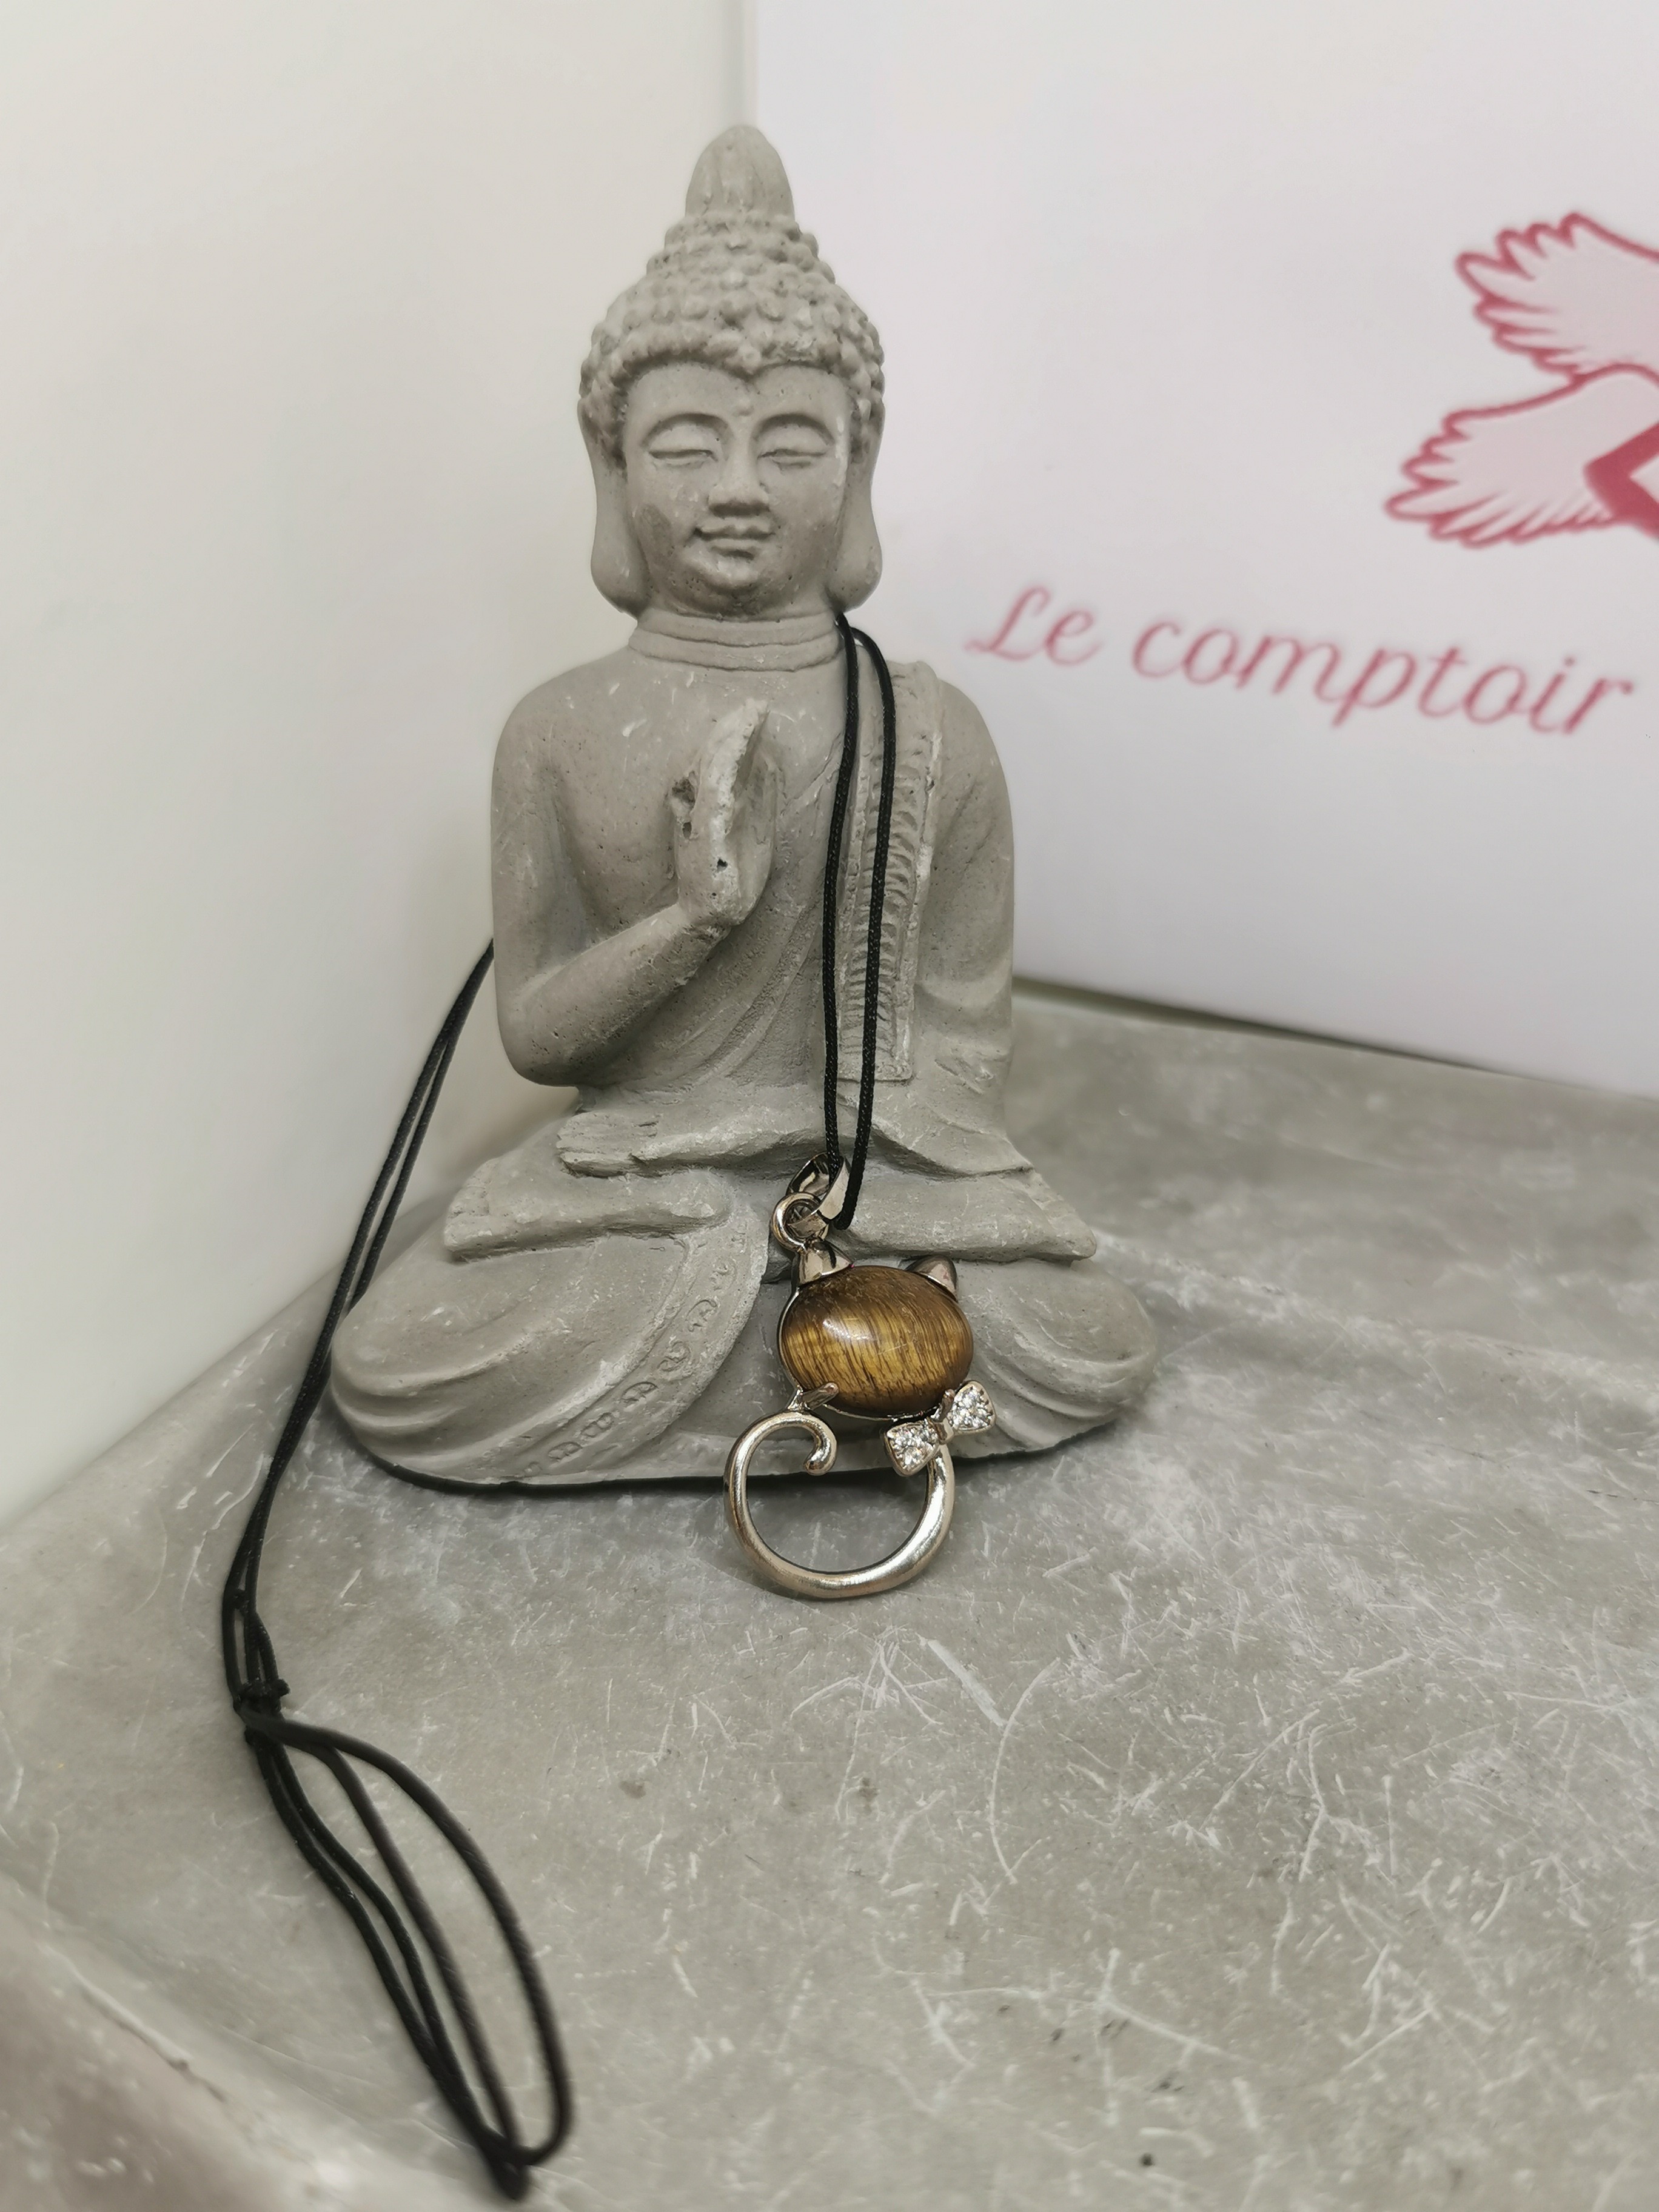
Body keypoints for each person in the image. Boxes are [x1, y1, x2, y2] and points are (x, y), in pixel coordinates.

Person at [332, 128, 1155, 1484]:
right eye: (685, 445)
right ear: (612, 468)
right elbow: (537, 1035)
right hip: (630, 1183)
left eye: (789, 446)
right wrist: (694, 922)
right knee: (400, 1364)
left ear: (856, 466)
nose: (735, 489)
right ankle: (849, 1385)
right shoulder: (558, 729)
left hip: (875, 1182)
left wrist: (843, 1160)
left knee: (1086, 1339)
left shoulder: (933, 731)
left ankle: (805, 1362)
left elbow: (962, 1048)